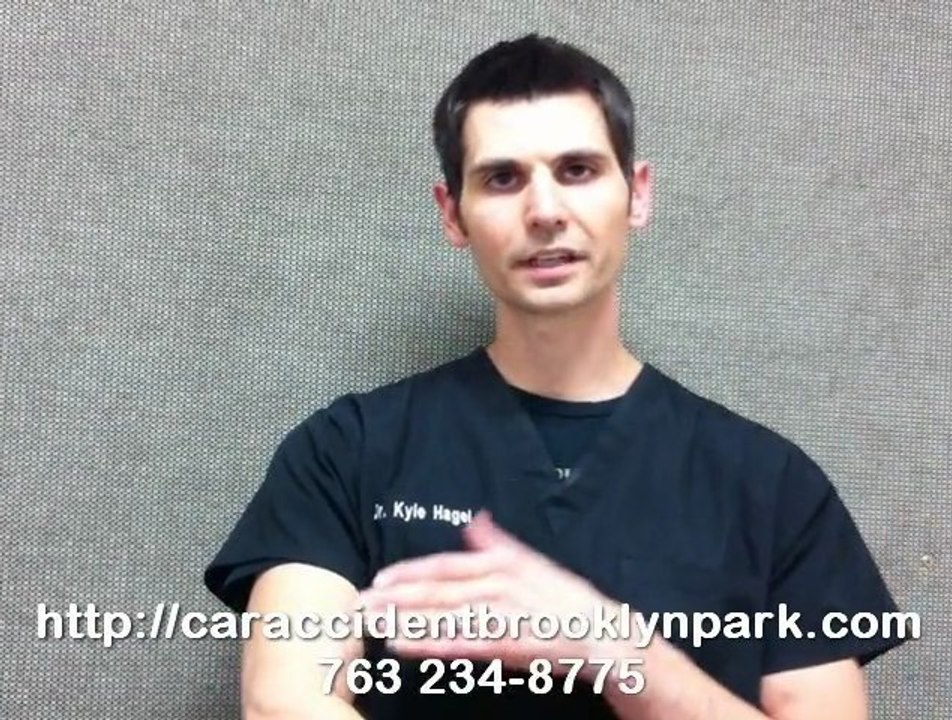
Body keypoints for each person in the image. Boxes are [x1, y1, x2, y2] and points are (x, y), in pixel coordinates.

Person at [204, 34, 906, 719]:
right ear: (453, 214)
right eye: (502, 179)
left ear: (637, 194)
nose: (544, 212)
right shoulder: (347, 452)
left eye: (577, 170)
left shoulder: (772, 486)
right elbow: (285, 699)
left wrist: (614, 648)